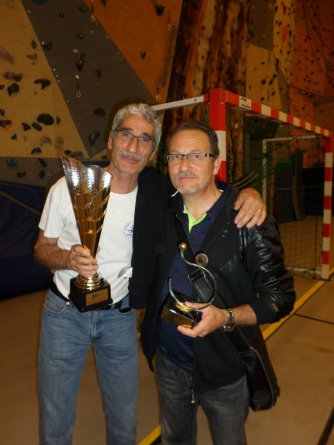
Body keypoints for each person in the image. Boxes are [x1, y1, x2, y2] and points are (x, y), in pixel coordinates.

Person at [34, 103, 267, 445]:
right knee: (55, 413)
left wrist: (247, 194)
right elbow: (41, 249)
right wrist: (68, 258)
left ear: (154, 152)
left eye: (144, 140)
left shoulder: (159, 191)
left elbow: (203, 186)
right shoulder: (69, 188)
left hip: (120, 315)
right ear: (111, 140)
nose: (133, 147)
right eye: (126, 135)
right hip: (64, 313)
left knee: (125, 417)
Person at [140, 119, 296, 445]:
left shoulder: (249, 221)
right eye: (175, 156)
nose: (184, 165)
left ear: (216, 162)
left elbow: (280, 298)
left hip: (225, 369)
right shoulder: (162, 209)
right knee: (174, 439)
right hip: (169, 362)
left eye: (196, 155)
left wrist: (225, 317)